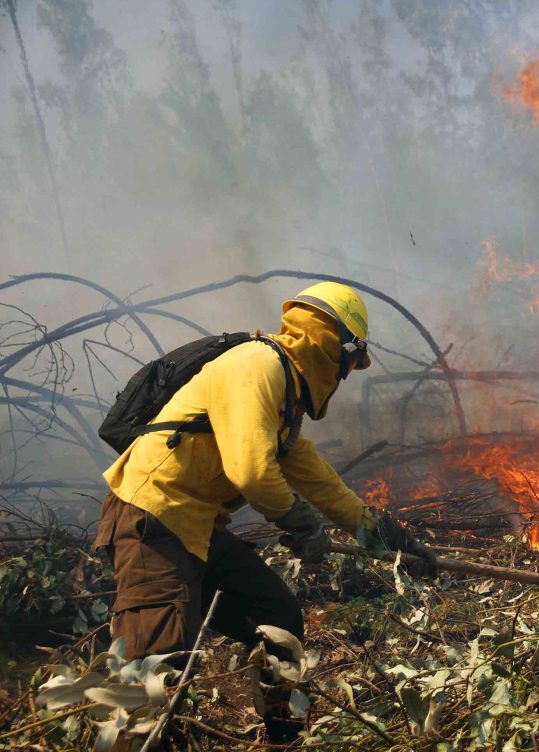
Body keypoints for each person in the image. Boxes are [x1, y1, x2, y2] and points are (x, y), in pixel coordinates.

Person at [92, 281, 436, 743]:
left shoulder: (283, 401)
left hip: (194, 528)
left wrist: (392, 540)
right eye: (352, 362)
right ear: (333, 344)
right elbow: (252, 472)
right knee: (152, 671)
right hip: (153, 519)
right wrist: (299, 521)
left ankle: (284, 736)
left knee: (275, 618)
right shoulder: (259, 366)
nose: (348, 374)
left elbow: (325, 486)